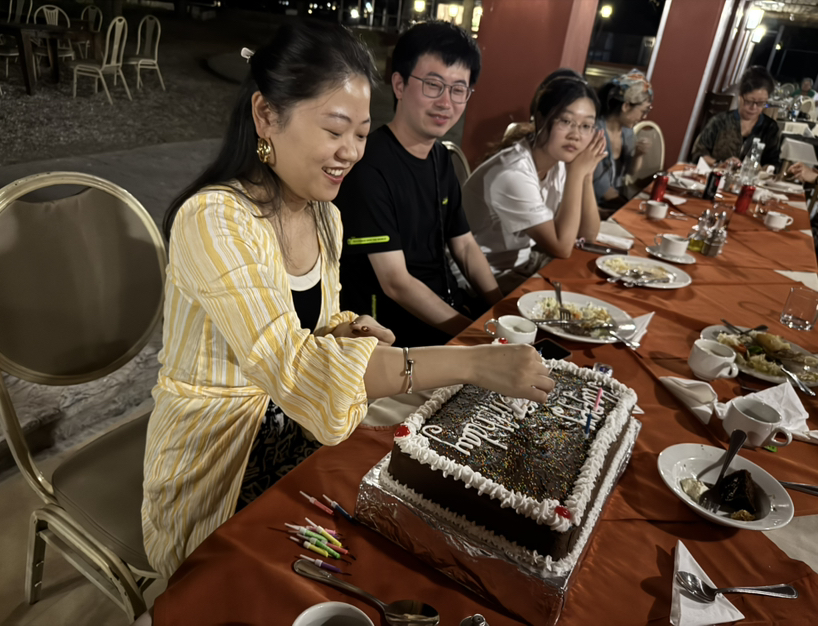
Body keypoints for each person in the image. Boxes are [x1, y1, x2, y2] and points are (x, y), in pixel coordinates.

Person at [141, 22, 554, 579]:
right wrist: (473, 363)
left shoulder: (325, 217)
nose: (352, 153)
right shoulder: (217, 219)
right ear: (266, 115)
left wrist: (344, 330)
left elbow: (314, 331)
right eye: (335, 130)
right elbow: (293, 365)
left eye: (360, 134)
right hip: (220, 458)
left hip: (302, 429)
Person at [335, 21, 502, 348]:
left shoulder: (440, 157)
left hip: (446, 311)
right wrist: (472, 336)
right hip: (395, 334)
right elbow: (395, 283)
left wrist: (500, 309)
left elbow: (465, 246)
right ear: (399, 84)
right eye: (433, 85)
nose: (446, 102)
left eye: (458, 89)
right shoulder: (368, 166)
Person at [461, 75, 605, 293]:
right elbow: (562, 248)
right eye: (566, 121)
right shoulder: (512, 174)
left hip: (522, 267)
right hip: (483, 282)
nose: (576, 135)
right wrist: (577, 174)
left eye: (586, 126)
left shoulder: (559, 162)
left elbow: (588, 236)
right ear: (540, 119)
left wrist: (586, 176)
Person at [691, 66, 781, 170]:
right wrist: (719, 163)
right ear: (740, 97)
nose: (754, 107)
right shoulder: (720, 121)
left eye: (761, 103)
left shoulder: (770, 128)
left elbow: (774, 164)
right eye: (749, 101)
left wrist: (761, 168)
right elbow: (698, 154)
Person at [593, 70, 654, 212]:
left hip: (613, 200)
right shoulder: (596, 131)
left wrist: (638, 155)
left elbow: (630, 172)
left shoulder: (627, 131)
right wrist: (628, 207)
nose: (644, 117)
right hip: (595, 205)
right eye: (643, 111)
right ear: (626, 106)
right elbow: (599, 185)